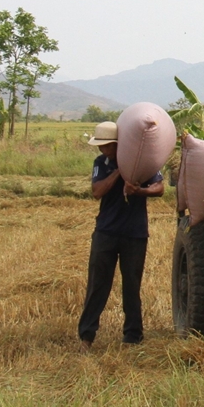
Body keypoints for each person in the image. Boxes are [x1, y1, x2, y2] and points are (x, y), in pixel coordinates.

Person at [76, 121, 164, 349]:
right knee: (97, 284)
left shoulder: (142, 162)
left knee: (132, 286)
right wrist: (119, 172)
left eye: (106, 146)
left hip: (134, 234)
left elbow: (160, 188)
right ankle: (87, 336)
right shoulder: (101, 163)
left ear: (118, 144)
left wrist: (140, 190)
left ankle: (133, 336)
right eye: (100, 146)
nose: (102, 149)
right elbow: (97, 191)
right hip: (106, 232)